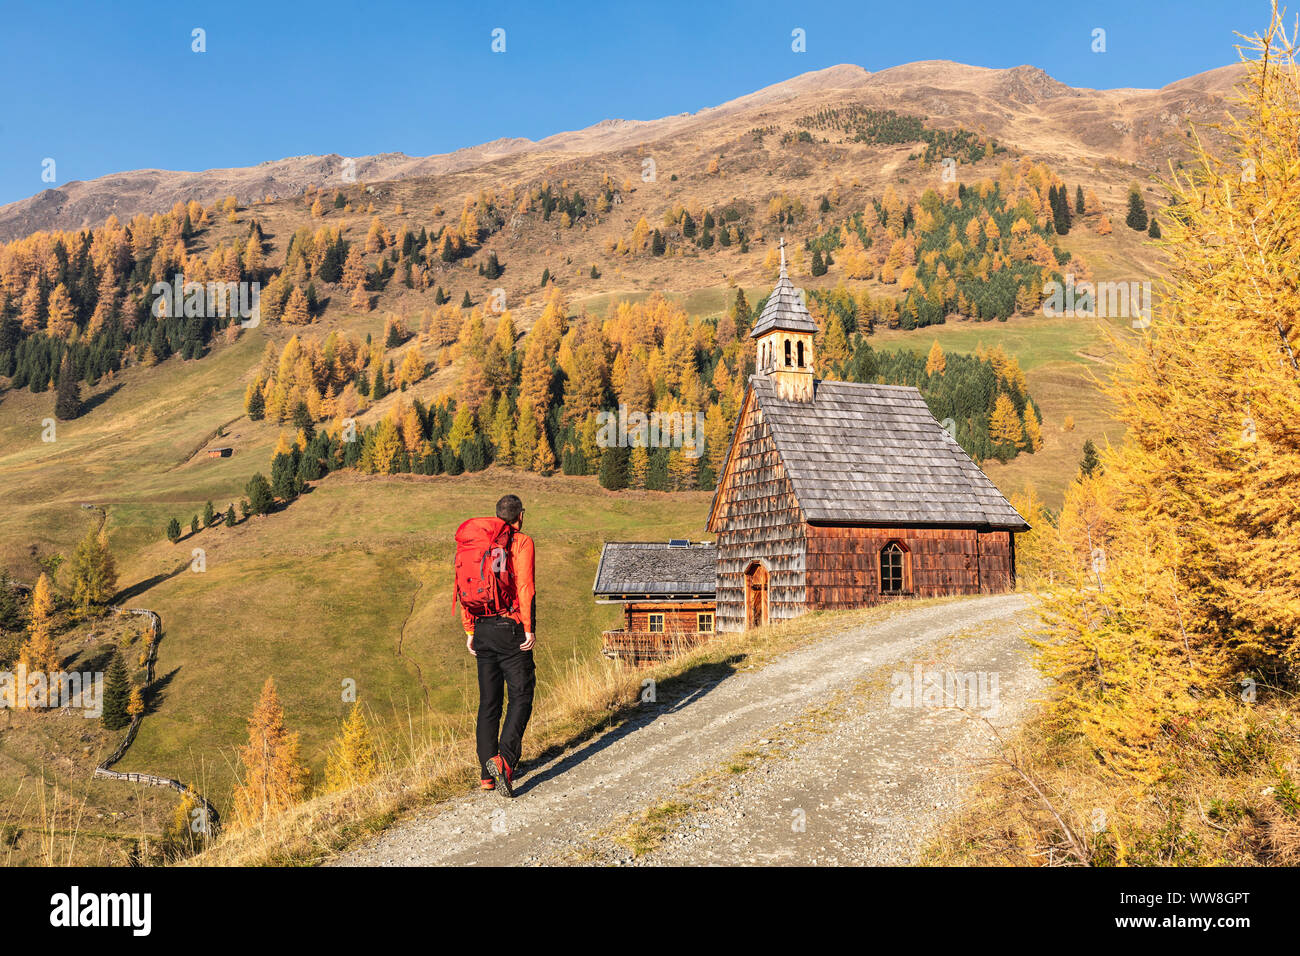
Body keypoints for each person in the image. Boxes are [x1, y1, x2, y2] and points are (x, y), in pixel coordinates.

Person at [461, 494, 535, 797]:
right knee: (522, 694)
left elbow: (464, 584)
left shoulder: (478, 543)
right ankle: (505, 760)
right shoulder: (520, 541)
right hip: (510, 627)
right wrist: (528, 628)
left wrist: (469, 629)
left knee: (488, 702)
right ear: (520, 516)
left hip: (481, 627)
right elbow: (525, 587)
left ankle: (486, 775)